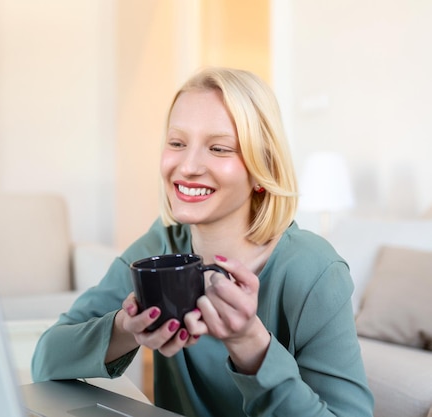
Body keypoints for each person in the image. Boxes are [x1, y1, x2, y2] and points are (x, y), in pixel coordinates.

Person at [31, 67, 374, 417]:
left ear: (262, 169)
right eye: (177, 143)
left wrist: (250, 344)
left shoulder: (313, 270)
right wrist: (126, 328)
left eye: (219, 148)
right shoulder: (160, 247)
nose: (188, 166)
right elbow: (46, 359)